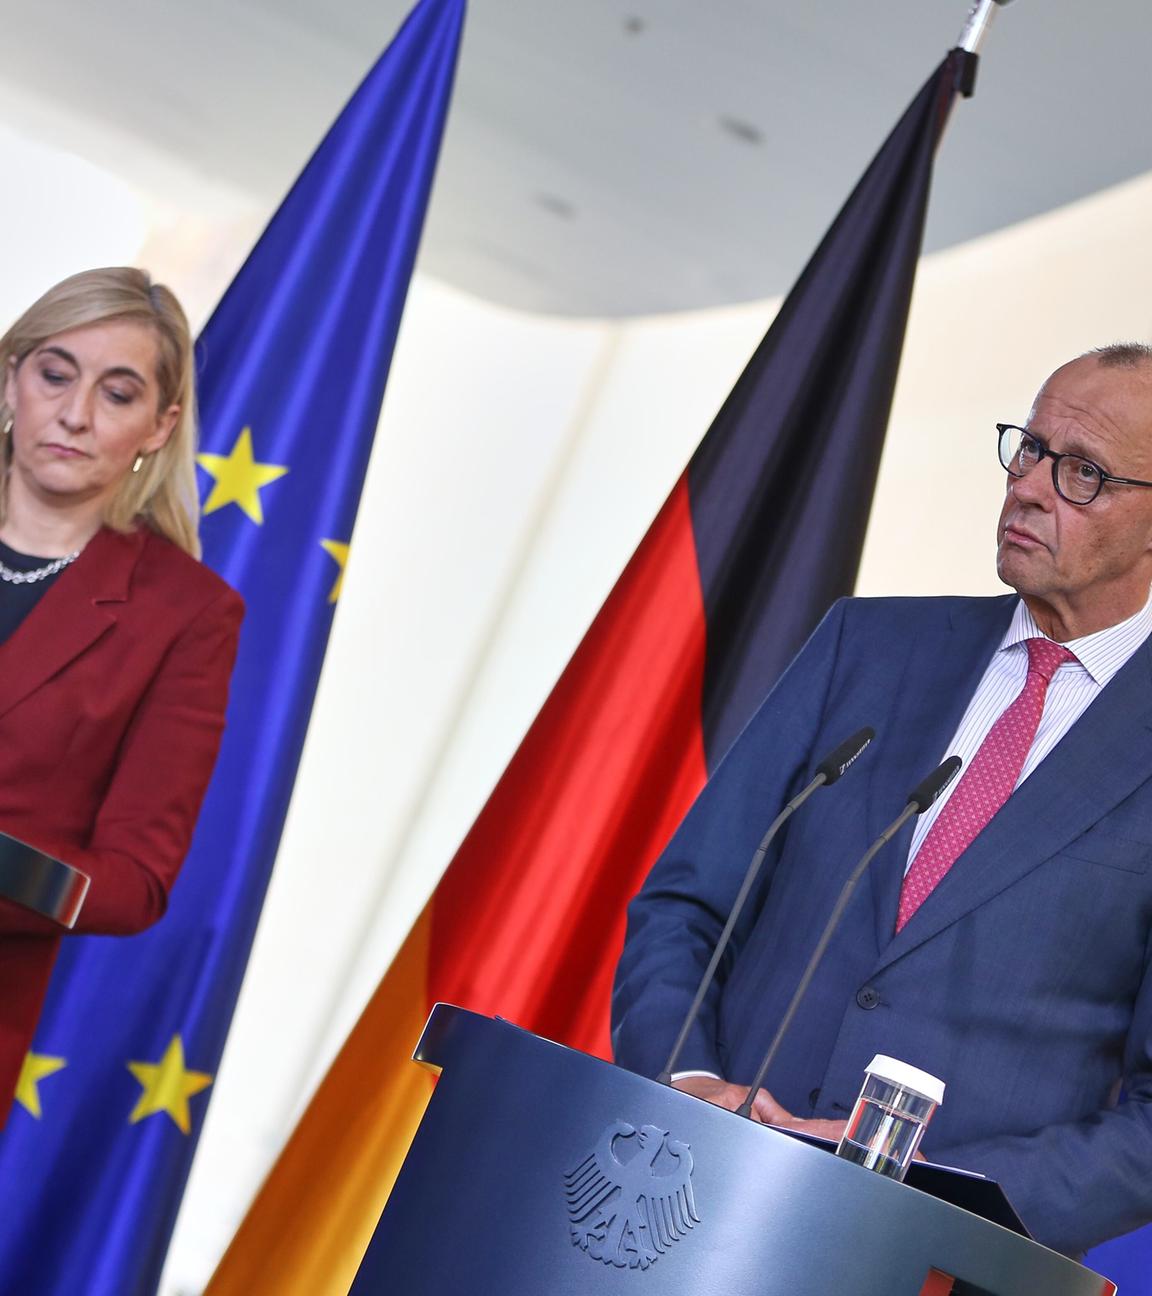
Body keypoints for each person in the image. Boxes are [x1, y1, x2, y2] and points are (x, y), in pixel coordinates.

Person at [612, 344, 1152, 1258]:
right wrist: (690, 1078)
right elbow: (686, 905)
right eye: (1029, 448)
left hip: (933, 1262)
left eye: (1083, 474)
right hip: (693, 1204)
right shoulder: (864, 645)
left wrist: (937, 1190)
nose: (1028, 488)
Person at [0, 267, 243, 1124]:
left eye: (117, 393)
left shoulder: (187, 614)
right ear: (12, 378)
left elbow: (134, 883)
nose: (74, 414)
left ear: (159, 425)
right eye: (54, 374)